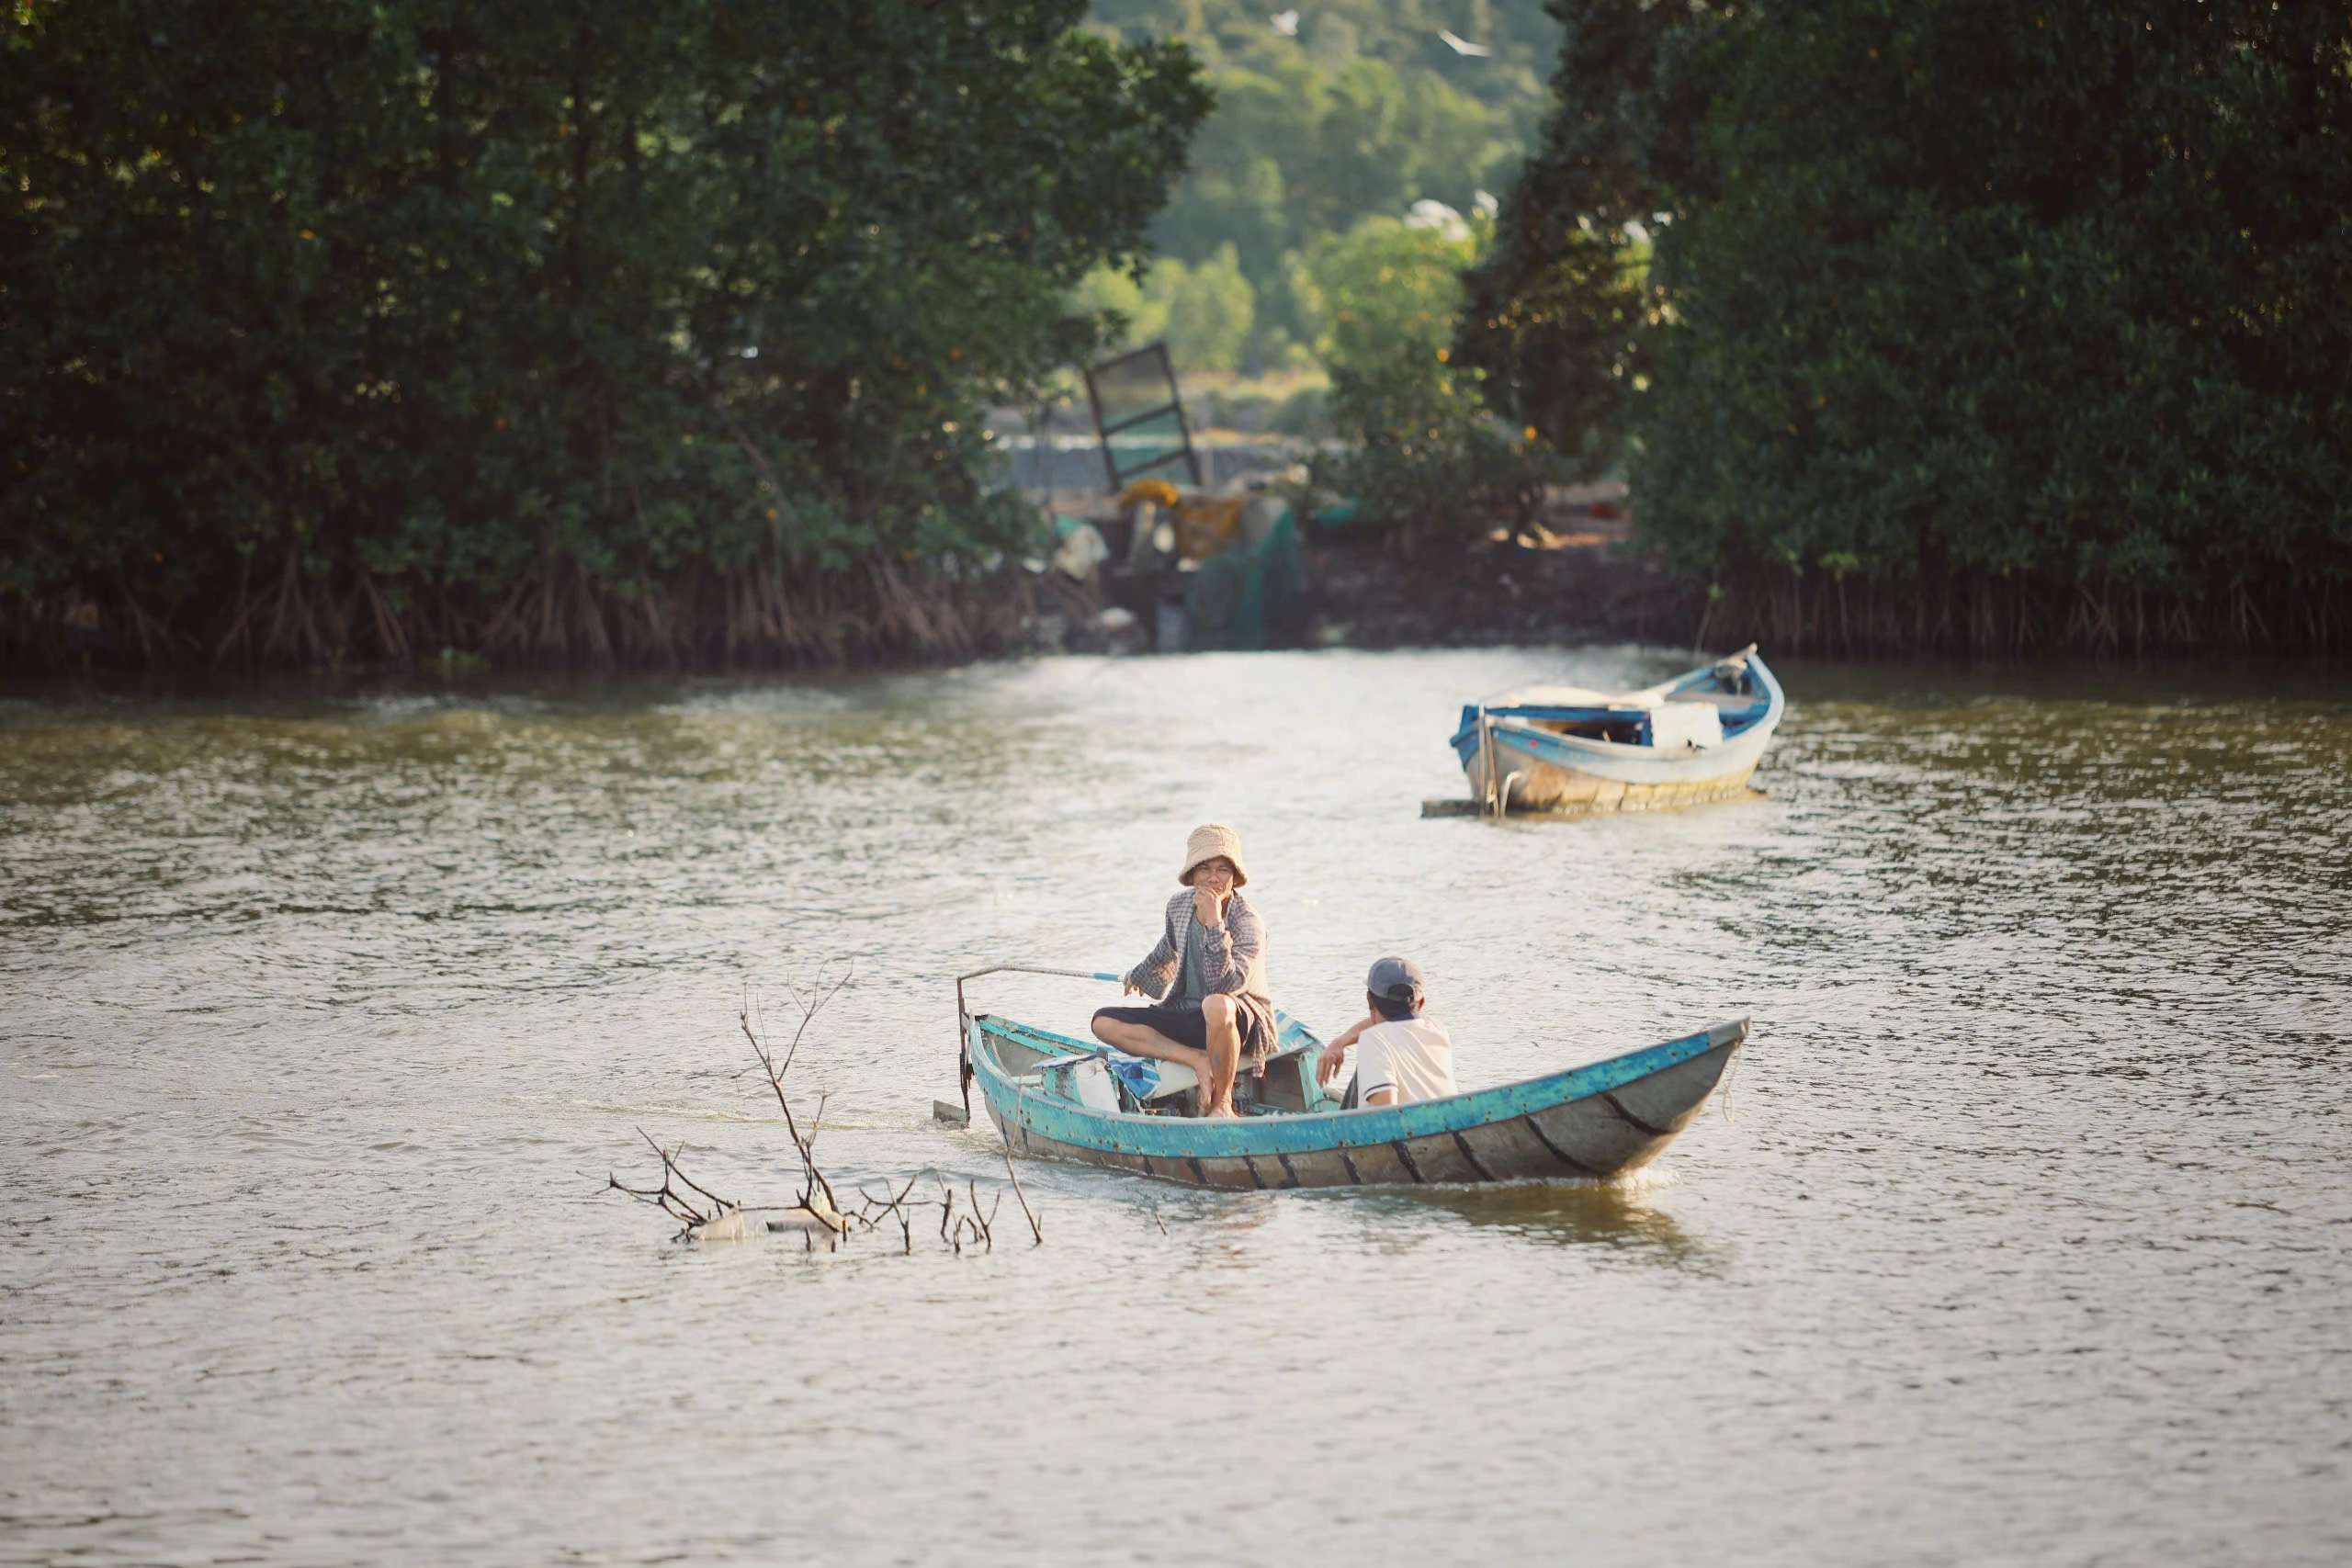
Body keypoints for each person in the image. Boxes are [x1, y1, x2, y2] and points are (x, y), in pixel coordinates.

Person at [1091, 824, 1274, 1118]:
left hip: (1238, 1020)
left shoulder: (1248, 922)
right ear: (1192, 875)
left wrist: (1215, 924)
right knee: (1102, 1022)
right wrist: (1140, 975)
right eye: (1204, 869)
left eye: (1223, 869)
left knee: (1215, 1004)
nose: (1213, 878)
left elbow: (1228, 984)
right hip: (1188, 1012)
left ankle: (1223, 1103)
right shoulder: (1179, 905)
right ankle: (1197, 1060)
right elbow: (1168, 948)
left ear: (1235, 878)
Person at [1316, 955, 1457, 1107]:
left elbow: (1384, 1113)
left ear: (1369, 1000)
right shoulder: (1436, 1028)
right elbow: (1396, 1022)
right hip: (1445, 1122)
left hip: (1403, 1129)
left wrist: (1340, 1042)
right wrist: (1341, 1042)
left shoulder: (1373, 1039)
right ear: (1421, 1003)